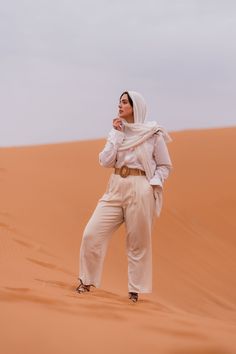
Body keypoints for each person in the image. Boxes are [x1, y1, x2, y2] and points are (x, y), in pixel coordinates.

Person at [76, 90, 172, 302]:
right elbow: (105, 161)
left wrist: (152, 184)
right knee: (91, 233)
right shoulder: (116, 132)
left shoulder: (153, 134)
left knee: (138, 242)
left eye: (124, 102)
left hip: (141, 187)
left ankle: (134, 292)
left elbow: (165, 166)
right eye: (119, 102)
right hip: (115, 186)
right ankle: (86, 280)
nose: (120, 106)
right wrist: (117, 134)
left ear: (135, 106)